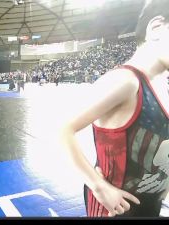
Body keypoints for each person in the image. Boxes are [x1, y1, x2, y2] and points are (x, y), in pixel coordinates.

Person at [60, 0, 169, 217]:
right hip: (115, 208)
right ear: (157, 28)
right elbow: (63, 129)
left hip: (149, 204)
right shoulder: (124, 81)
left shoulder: (161, 84)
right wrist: (99, 187)